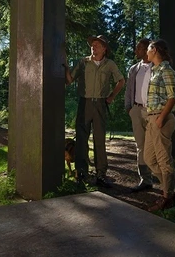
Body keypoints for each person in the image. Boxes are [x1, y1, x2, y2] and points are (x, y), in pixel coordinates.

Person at [64, 35, 125, 187]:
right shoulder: (83, 62)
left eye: (97, 45)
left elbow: (121, 81)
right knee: (81, 139)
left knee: (99, 139)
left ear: (104, 49)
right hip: (84, 103)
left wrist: (111, 96)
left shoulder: (110, 64)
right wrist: (65, 66)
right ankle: (81, 173)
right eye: (92, 44)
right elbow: (70, 79)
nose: (94, 46)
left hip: (100, 105)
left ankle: (101, 174)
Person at [143, 39, 175, 211]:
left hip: (161, 119)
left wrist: (161, 118)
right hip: (152, 118)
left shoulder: (166, 70)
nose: (146, 53)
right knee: (149, 158)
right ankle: (169, 191)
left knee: (164, 160)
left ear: (155, 49)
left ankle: (167, 198)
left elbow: (173, 97)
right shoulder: (155, 71)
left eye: (148, 50)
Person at [124, 38, 156, 192]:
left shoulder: (157, 67)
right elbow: (129, 90)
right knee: (140, 146)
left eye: (138, 48)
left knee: (156, 145)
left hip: (152, 112)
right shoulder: (133, 69)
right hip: (136, 110)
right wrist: (129, 108)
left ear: (146, 50)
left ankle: (164, 182)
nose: (136, 51)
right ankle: (145, 179)